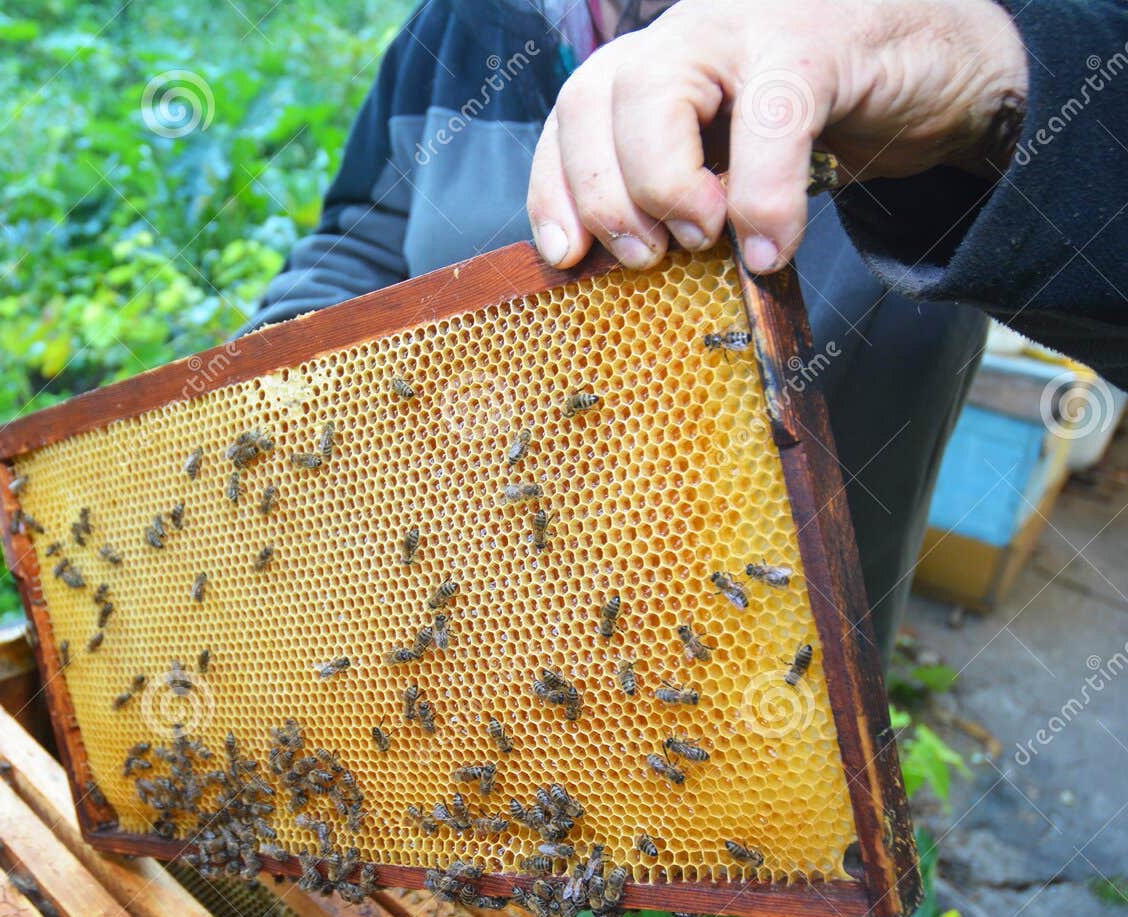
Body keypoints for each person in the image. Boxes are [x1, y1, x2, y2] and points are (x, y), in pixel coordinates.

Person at [245, 0, 1128, 652]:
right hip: (441, 652)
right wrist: (270, 405)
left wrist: (1002, 97)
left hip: (758, 700)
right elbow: (357, 239)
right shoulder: (458, 29)